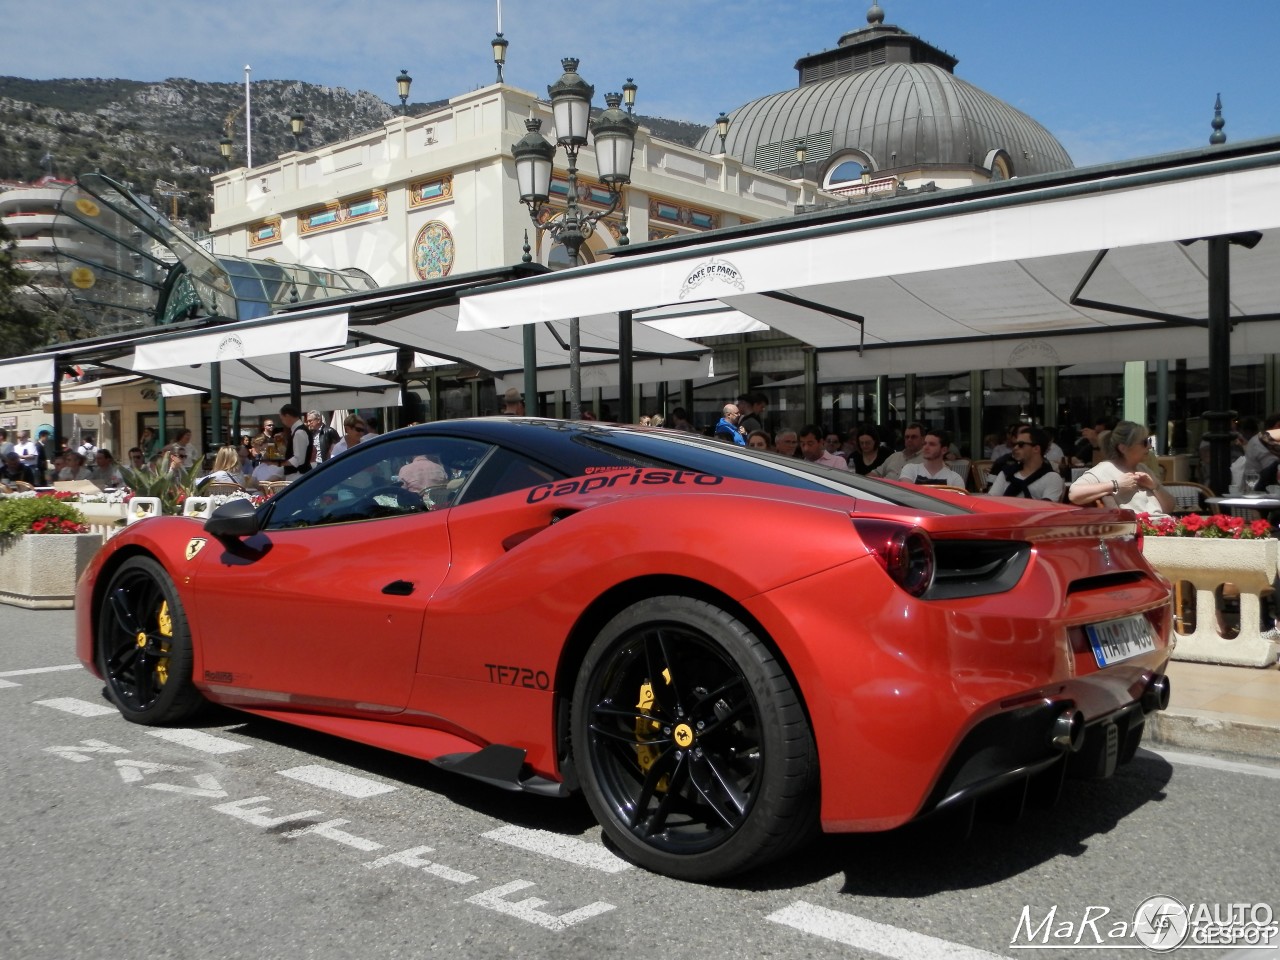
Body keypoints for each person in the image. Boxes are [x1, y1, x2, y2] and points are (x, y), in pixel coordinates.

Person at [1068, 420, 1175, 515]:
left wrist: (1154, 486)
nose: (1149, 446)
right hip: (1138, 532)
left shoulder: (1142, 468)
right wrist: (1115, 484)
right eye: (1144, 442)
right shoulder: (1105, 469)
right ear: (1123, 448)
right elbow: (1074, 494)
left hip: (1159, 527)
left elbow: (1169, 508)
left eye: (1149, 441)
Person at [988, 425, 1065, 501]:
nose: (1015, 448)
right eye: (1015, 444)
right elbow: (991, 501)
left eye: (1021, 445)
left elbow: (1047, 509)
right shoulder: (1006, 473)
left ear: (1036, 449)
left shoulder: (1051, 477)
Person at [900, 429, 967, 486]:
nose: (926, 447)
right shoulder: (910, 469)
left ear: (944, 450)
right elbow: (907, 496)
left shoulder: (955, 479)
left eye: (932, 444)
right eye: (924, 444)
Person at [279, 404, 313, 477]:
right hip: (298, 475)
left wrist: (278, 463)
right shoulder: (297, 431)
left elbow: (298, 460)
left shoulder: (299, 432)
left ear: (287, 416)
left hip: (298, 475)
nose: (282, 422)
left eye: (282, 419)